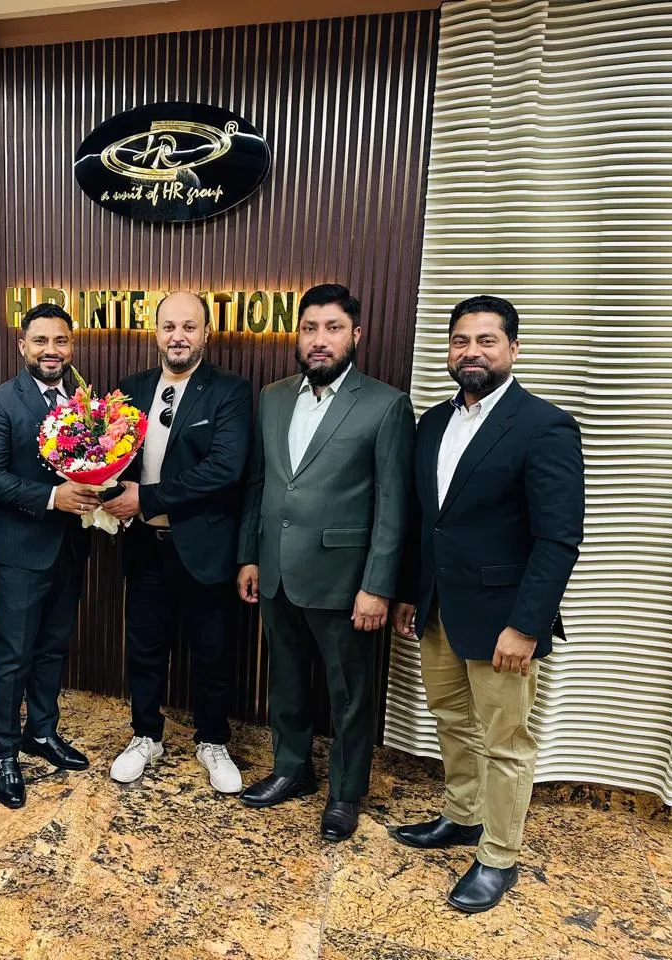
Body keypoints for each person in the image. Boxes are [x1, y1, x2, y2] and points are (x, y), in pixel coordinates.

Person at [391, 295, 584, 913]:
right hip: (437, 609)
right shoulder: (432, 424)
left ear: (513, 349)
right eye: (460, 340)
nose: (470, 351)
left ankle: (499, 856)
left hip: (504, 621)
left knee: (506, 742)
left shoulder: (544, 425)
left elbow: (558, 539)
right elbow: (428, 522)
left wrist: (526, 626)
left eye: (486, 340)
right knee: (451, 719)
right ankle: (462, 815)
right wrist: (410, 593)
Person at [237, 284, 414, 842]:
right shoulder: (272, 397)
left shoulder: (385, 404)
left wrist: (377, 585)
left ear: (355, 335)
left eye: (333, 328)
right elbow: (260, 484)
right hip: (276, 570)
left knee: (350, 693)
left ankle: (345, 792)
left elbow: (393, 505)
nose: (320, 339)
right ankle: (291, 768)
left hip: (345, 581)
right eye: (310, 328)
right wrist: (250, 556)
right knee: (285, 678)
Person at [101, 291, 253, 792]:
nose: (178, 336)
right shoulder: (131, 388)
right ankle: (146, 735)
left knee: (212, 651)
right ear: (156, 332)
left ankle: (212, 740)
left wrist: (145, 498)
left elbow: (224, 469)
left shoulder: (230, 390)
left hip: (205, 548)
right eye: (169, 326)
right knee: (144, 648)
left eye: (189, 327)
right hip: (146, 546)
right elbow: (114, 454)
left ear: (206, 333)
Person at [0, 302, 97, 809]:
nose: (51, 350)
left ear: (71, 346)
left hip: (71, 546)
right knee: (13, 655)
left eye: (60, 340)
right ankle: (4, 753)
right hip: (21, 551)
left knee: (54, 647)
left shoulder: (85, 401)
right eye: (40, 340)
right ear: (22, 346)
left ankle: (41, 732)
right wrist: (51, 497)